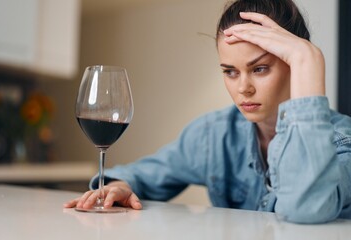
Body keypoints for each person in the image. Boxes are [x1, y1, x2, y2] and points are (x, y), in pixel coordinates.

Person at [64, 0, 351, 224]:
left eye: (259, 68)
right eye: (230, 71)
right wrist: (121, 186)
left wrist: (308, 61)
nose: (244, 88)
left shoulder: (343, 142)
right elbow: (142, 174)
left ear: (292, 62)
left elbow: (306, 209)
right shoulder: (214, 134)